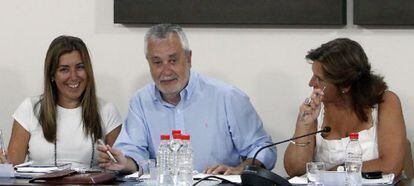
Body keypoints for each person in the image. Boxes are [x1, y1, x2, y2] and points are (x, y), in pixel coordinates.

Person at [98, 23, 276, 175]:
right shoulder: (140, 101)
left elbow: (263, 148)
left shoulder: (226, 97)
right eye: (157, 62)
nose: (166, 71)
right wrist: (124, 162)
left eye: (173, 60)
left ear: (189, 58)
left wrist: (241, 169)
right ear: (149, 63)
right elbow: (133, 152)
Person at [284, 38, 406, 177]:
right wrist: (303, 125)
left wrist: (336, 172)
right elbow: (295, 171)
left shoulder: (385, 102)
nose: (311, 83)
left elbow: (391, 165)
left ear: (345, 86)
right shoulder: (317, 108)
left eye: (319, 79)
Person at [0, 36, 123, 169]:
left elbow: (120, 168)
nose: (74, 76)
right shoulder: (29, 108)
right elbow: (11, 169)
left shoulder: (107, 110)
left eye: (80, 67)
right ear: (52, 75)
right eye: (64, 69)